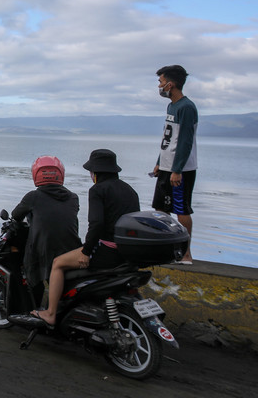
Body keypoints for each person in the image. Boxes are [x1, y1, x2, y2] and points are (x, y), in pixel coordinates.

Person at [32, 149, 140, 326]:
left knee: (57, 263)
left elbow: (96, 224)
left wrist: (86, 252)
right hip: (126, 252)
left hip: (106, 252)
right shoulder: (130, 190)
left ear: (95, 172)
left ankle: (50, 313)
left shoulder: (98, 190)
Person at [11, 156, 81, 301]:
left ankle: (34, 308)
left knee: (33, 274)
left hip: (42, 251)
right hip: (70, 249)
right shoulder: (73, 197)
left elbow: (16, 215)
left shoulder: (33, 197)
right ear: (60, 173)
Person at [152, 64, 197, 264]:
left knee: (181, 209)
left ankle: (186, 253)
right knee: (161, 209)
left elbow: (186, 141)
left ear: (171, 84)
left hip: (181, 170)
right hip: (166, 167)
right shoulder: (171, 106)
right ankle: (166, 249)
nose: (159, 86)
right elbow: (168, 139)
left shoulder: (187, 107)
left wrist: (177, 170)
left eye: (161, 82)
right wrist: (159, 162)